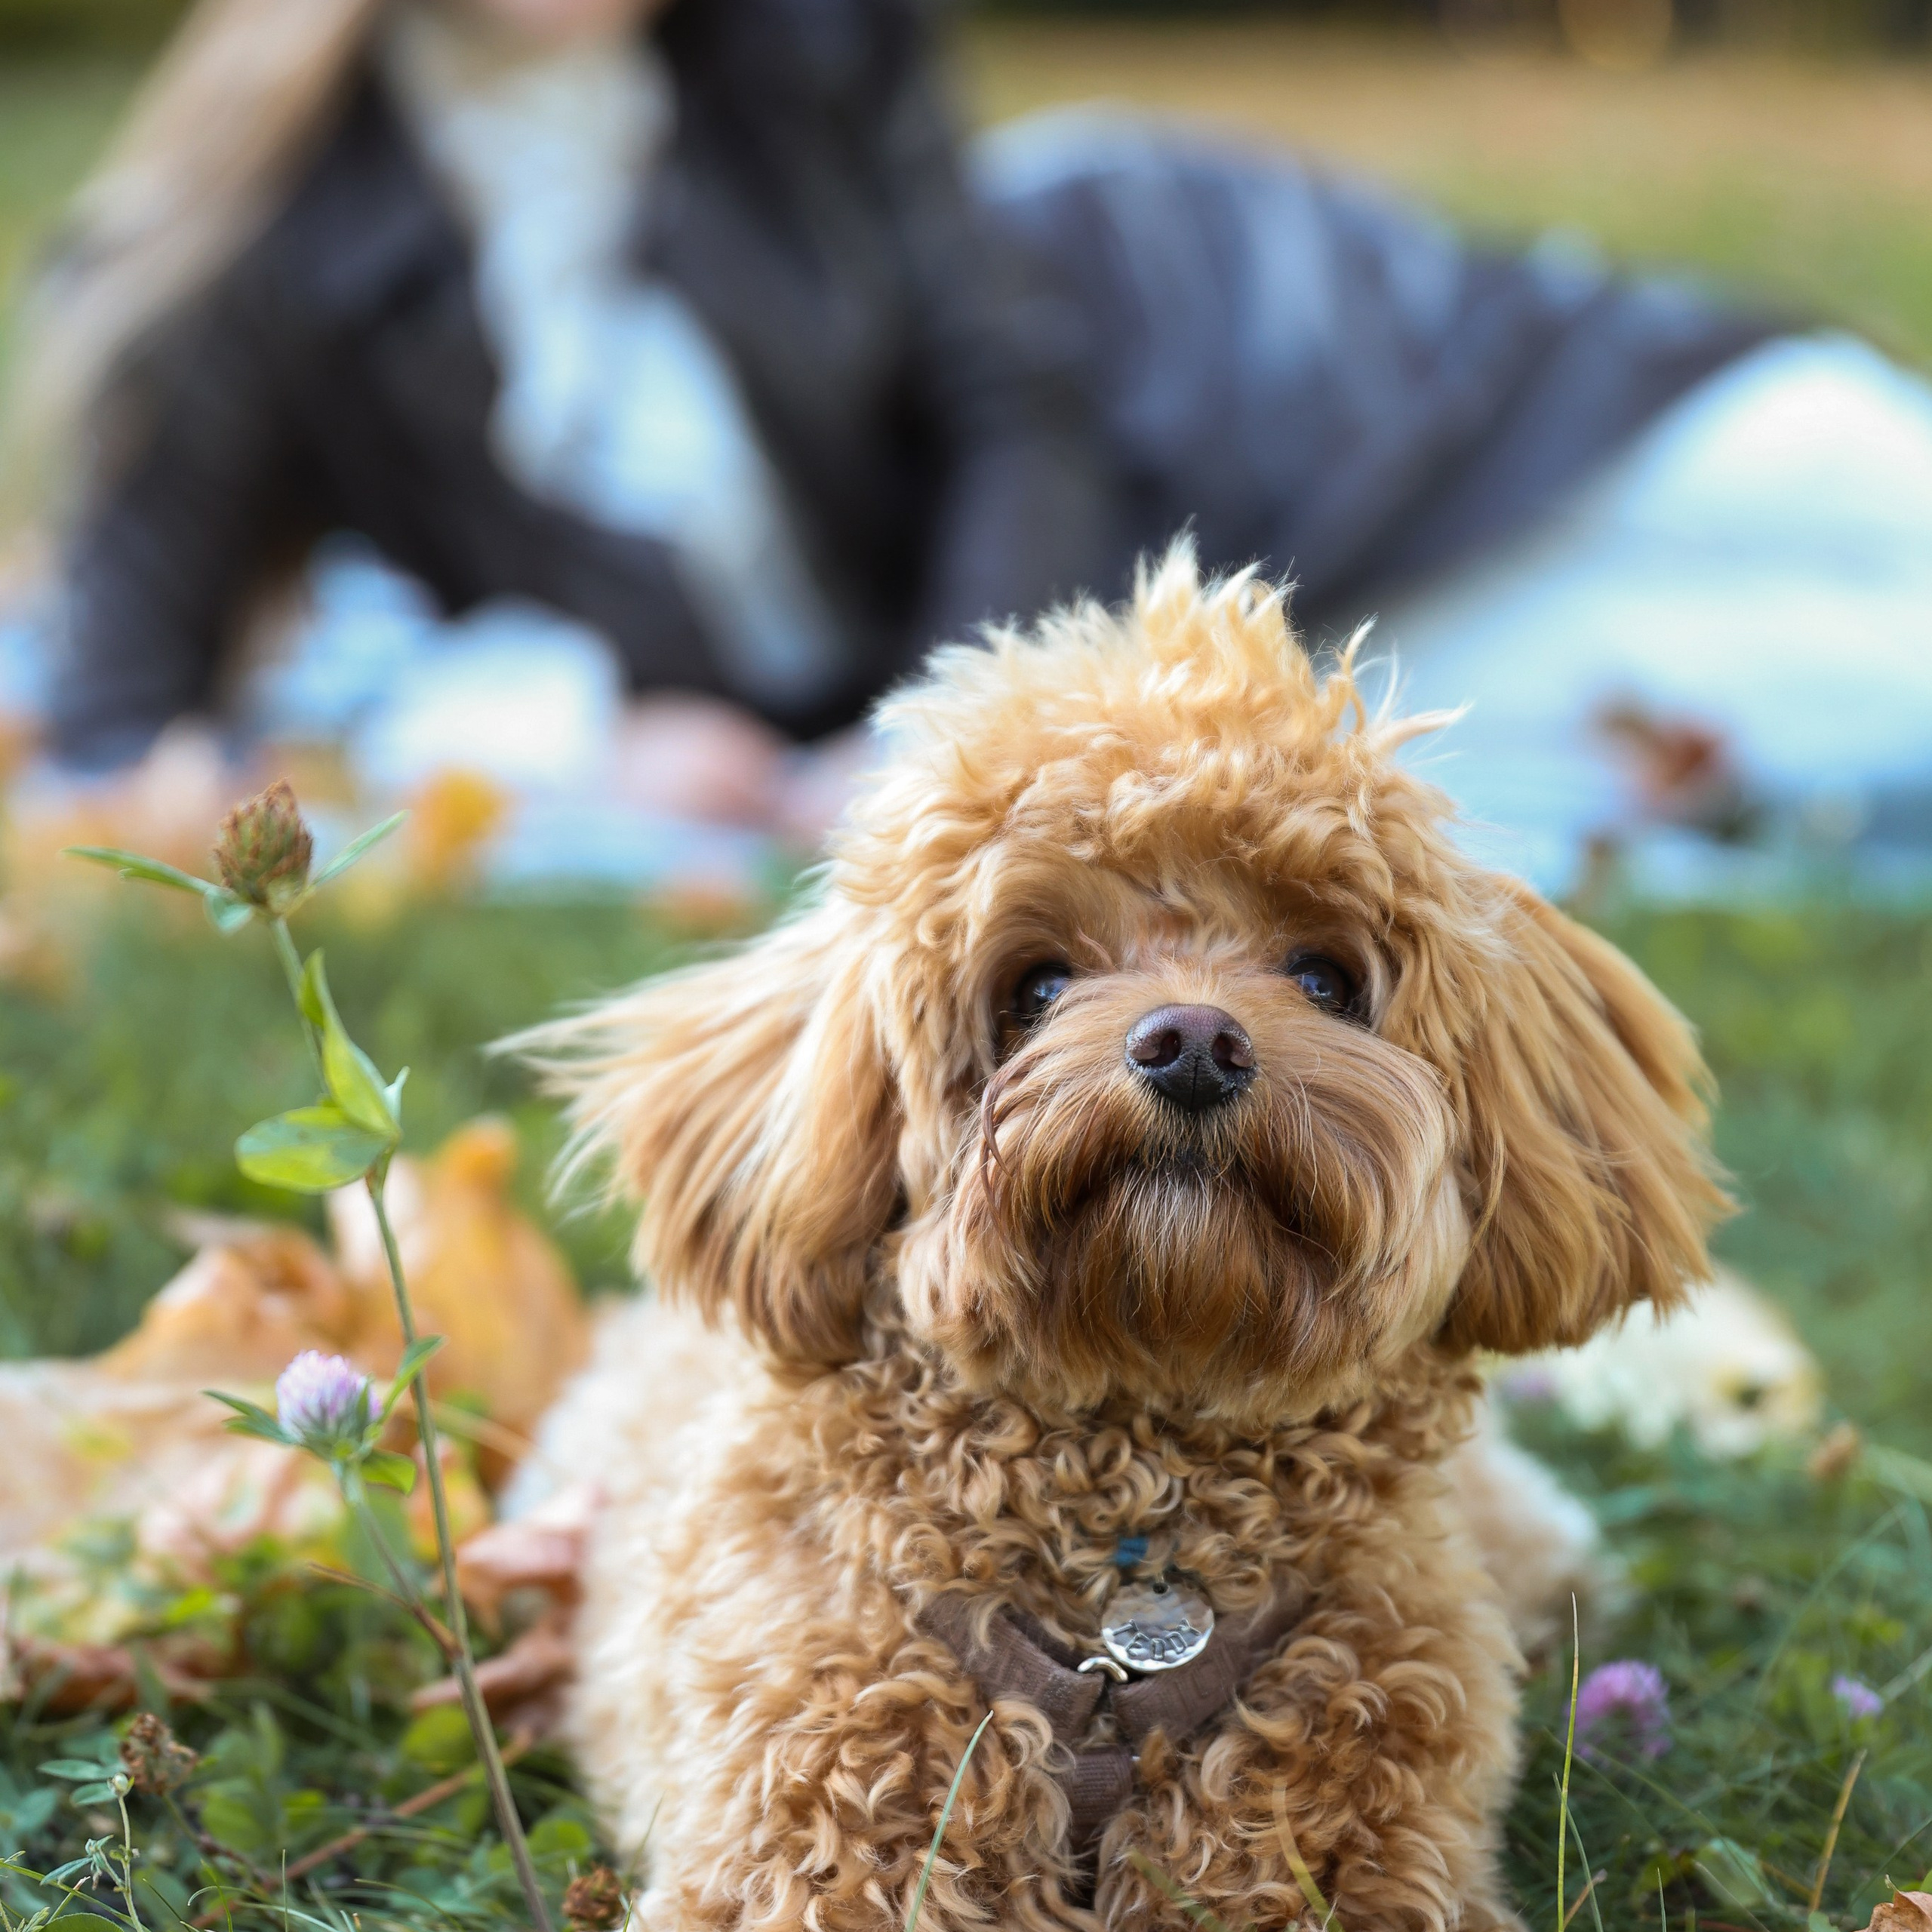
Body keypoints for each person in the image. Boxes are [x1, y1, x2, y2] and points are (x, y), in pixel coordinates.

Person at [19, 0, 1930, 876]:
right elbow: (114, 723)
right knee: (1847, 698)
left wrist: (926, 727)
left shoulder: (804, 41)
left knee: (1856, 478)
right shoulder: (269, 258)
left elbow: (1015, 398)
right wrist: (560, 737)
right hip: (1225, 616)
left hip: (1281, 367)